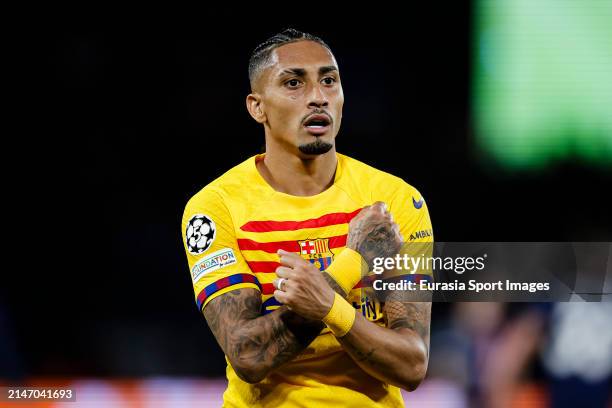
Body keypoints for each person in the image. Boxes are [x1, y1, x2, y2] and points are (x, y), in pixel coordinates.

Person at [181, 28, 434, 407]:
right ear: (257, 107)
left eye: (329, 81)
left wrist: (326, 304)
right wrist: (350, 267)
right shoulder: (215, 209)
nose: (318, 97)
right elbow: (248, 357)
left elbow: (412, 364)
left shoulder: (395, 201)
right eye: (294, 82)